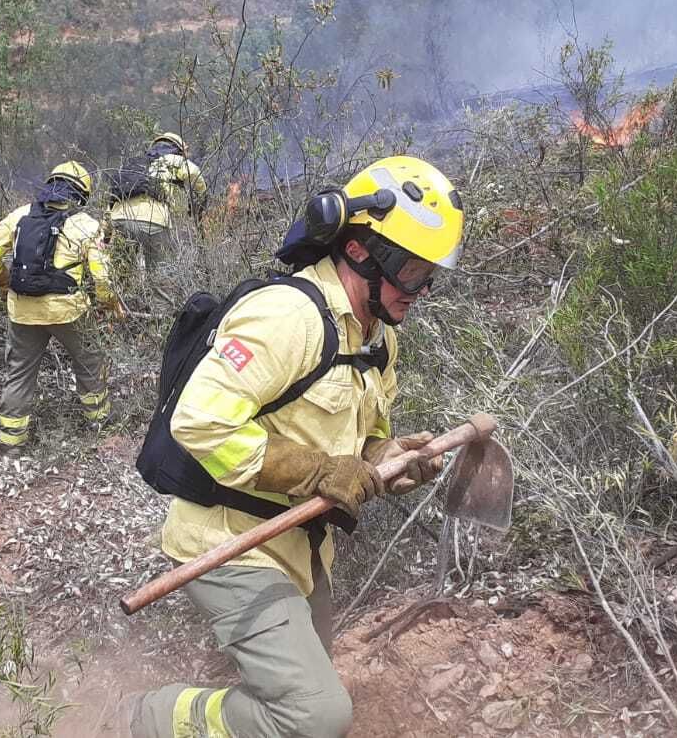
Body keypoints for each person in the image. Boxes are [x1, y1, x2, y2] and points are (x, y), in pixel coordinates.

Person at [130, 156, 465, 738]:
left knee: (302, 698)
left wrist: (389, 460)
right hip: (230, 545)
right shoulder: (288, 316)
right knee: (314, 715)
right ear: (360, 252)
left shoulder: (377, 340)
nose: (422, 289)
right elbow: (201, 421)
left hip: (303, 549)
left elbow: (362, 441)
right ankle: (150, 718)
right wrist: (317, 472)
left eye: (430, 273)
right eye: (412, 271)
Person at [0, 161, 118, 455]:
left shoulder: (20, 215)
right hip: (69, 311)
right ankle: (100, 425)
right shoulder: (85, 224)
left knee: (19, 373)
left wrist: (3, 284)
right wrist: (107, 304)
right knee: (90, 362)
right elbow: (102, 278)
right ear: (81, 194)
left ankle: (11, 444)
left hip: (23, 311)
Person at [107, 132, 208, 283]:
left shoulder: (134, 164)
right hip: (154, 222)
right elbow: (194, 172)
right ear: (178, 149)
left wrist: (107, 233)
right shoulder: (172, 159)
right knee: (160, 279)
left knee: (120, 277)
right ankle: (158, 298)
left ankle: (121, 297)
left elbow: (112, 199)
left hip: (121, 220)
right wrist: (201, 199)